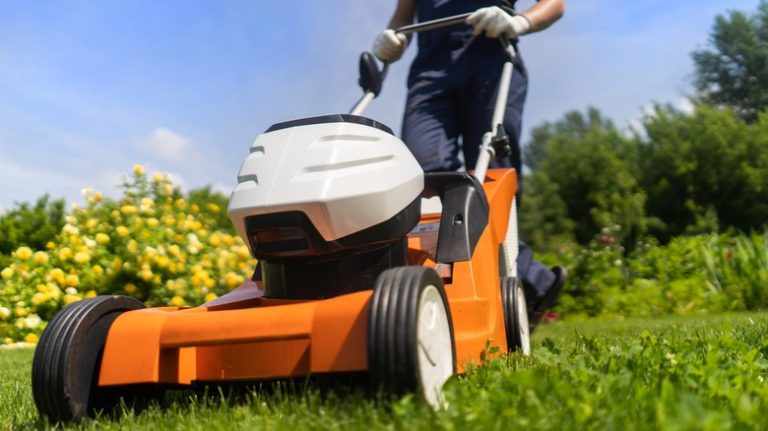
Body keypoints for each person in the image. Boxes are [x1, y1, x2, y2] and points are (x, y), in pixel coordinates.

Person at [372, 0, 567, 328]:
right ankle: (531, 282)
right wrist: (392, 37)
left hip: (491, 54)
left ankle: (507, 287)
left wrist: (519, 23)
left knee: (492, 177)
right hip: (430, 70)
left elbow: (554, 4)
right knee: (427, 178)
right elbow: (404, 15)